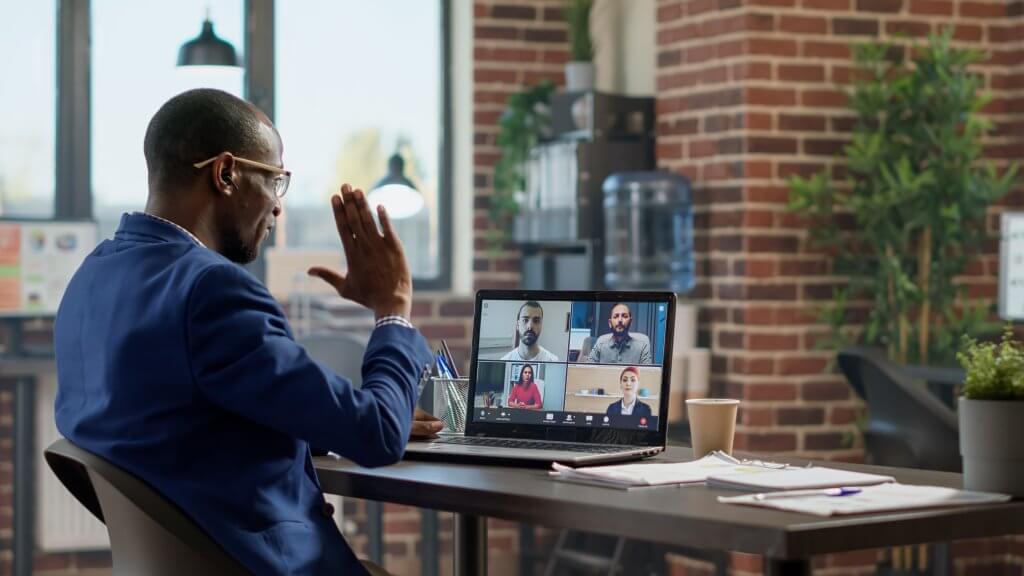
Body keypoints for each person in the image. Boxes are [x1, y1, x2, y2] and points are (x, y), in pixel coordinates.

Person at [53, 88, 442, 576]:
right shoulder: (212, 291)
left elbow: (173, 425)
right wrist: (393, 310)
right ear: (226, 173)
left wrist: (328, 423)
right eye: (275, 181)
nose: (278, 209)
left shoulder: (92, 277)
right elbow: (380, 436)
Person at [587, 303, 653, 365]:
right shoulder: (600, 343)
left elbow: (647, 374)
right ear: (610, 323)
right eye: (616, 316)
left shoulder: (642, 346)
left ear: (630, 322)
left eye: (624, 316)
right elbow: (588, 370)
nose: (620, 320)